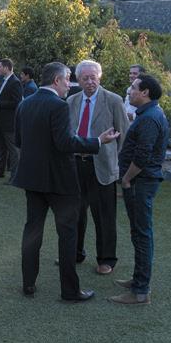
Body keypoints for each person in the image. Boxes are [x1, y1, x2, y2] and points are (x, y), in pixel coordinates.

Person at [12, 62, 119, 302]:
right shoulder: (59, 106)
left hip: (32, 179)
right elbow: (65, 143)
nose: (70, 85)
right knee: (67, 234)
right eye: (68, 79)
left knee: (32, 230)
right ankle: (70, 291)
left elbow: (18, 141)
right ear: (57, 80)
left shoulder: (24, 104)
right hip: (60, 181)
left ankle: (28, 283)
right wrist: (98, 142)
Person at [67, 60, 129, 274]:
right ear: (78, 80)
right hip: (76, 165)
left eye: (93, 77)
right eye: (85, 78)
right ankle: (75, 253)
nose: (90, 82)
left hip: (102, 167)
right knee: (74, 214)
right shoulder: (71, 100)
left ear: (99, 77)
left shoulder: (113, 100)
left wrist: (117, 164)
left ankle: (106, 259)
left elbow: (124, 135)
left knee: (104, 216)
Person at [112, 74, 169, 305]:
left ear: (145, 92)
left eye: (134, 87)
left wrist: (126, 179)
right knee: (139, 233)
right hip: (141, 182)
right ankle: (138, 281)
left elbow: (143, 155)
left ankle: (140, 291)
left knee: (142, 234)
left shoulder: (149, 118)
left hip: (140, 182)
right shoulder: (149, 114)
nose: (130, 90)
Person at [0, 58, 22, 181]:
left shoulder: (15, 82)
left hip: (9, 122)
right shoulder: (0, 80)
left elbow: (17, 103)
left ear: (6, 68)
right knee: (2, 148)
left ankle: (15, 176)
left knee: (13, 150)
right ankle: (0, 171)